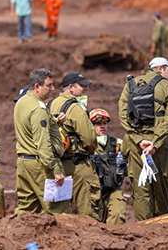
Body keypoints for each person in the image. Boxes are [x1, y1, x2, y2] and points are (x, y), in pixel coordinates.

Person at [118, 57, 168, 221]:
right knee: (161, 188)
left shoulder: (130, 84)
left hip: (135, 145)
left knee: (140, 190)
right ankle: (163, 228)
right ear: (160, 69)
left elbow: (123, 116)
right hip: (159, 146)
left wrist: (138, 140)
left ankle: (142, 232)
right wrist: (156, 143)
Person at [14, 69, 69, 215]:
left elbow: (30, 129)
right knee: (58, 210)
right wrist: (55, 170)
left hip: (24, 162)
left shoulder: (22, 102)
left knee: (27, 211)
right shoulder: (39, 109)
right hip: (40, 165)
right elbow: (43, 143)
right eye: (49, 85)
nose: (52, 89)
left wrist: (54, 121)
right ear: (37, 86)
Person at [49, 72, 101, 221]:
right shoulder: (76, 108)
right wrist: (90, 151)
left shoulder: (50, 104)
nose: (86, 89)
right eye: (82, 86)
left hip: (57, 166)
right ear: (71, 87)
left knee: (60, 212)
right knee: (89, 211)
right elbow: (90, 139)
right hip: (79, 165)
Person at [89, 109, 127, 225]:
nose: (102, 127)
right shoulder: (86, 145)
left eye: (104, 123)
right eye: (98, 124)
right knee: (93, 223)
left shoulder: (118, 144)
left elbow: (128, 167)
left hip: (113, 188)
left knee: (117, 215)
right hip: (93, 192)